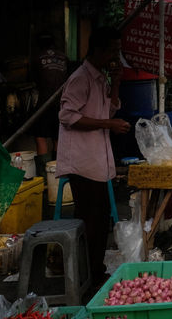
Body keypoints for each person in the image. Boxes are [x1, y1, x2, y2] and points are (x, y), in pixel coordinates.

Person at [56, 26, 131, 289]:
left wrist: (117, 81)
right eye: (112, 50)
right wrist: (109, 125)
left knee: (100, 220)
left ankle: (94, 273)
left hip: (97, 159)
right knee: (92, 221)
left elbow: (108, 108)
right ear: (98, 50)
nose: (115, 56)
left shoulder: (100, 77)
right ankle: (89, 277)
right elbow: (67, 116)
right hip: (82, 161)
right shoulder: (80, 79)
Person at [32, 33, 69, 175]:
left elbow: (35, 80)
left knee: (40, 137)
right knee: (57, 138)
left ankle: (43, 175)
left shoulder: (37, 58)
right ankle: (56, 173)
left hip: (44, 102)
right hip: (61, 103)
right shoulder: (64, 57)